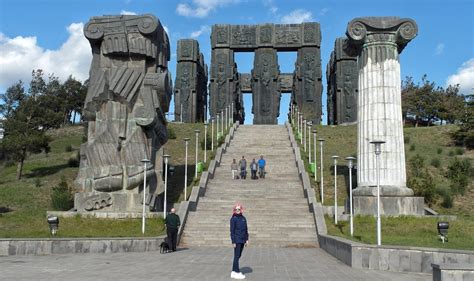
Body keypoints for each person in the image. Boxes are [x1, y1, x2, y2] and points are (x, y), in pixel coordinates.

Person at [230, 204, 248, 280]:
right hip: (237, 240)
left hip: (242, 240)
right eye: (236, 209)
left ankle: (233, 271)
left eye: (239, 209)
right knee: (237, 256)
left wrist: (247, 239)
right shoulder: (233, 219)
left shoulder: (243, 218)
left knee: (238, 255)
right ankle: (237, 271)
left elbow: (246, 229)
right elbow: (232, 231)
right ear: (234, 210)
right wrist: (233, 241)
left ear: (241, 210)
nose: (238, 211)